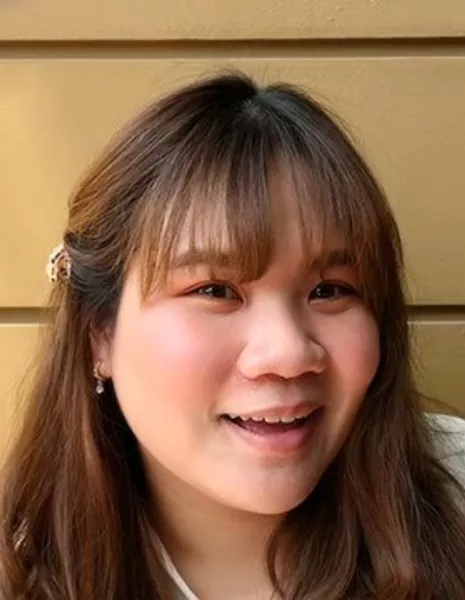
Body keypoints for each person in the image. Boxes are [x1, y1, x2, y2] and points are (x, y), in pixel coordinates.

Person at [1, 71, 464, 600]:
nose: (288, 353)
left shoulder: (455, 495)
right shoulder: (22, 574)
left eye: (330, 290)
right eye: (215, 290)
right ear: (99, 332)